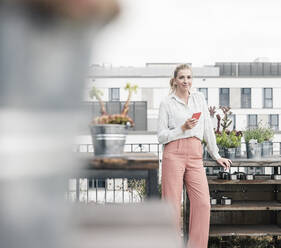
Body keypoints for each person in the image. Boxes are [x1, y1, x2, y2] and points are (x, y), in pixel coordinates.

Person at [157, 64, 232, 248]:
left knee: (203, 204)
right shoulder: (167, 103)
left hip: (195, 153)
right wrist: (182, 128)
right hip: (173, 153)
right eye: (182, 77)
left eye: (189, 77)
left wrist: (216, 154)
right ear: (175, 80)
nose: (186, 81)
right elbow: (161, 136)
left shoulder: (199, 98)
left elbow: (207, 128)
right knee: (172, 207)